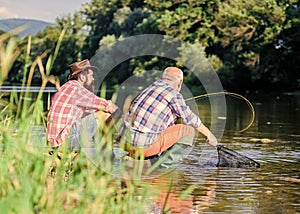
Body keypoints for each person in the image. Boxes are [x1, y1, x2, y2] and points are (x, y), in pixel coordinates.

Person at [122, 66, 218, 160]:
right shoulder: (173, 94)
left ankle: (134, 158)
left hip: (126, 143)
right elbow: (191, 119)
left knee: (169, 127)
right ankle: (159, 166)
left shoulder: (149, 88)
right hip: (143, 148)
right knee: (188, 130)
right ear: (180, 82)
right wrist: (209, 135)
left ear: (163, 78)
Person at [47, 59, 120, 152]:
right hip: (65, 142)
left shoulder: (67, 87)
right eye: (91, 75)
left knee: (98, 115)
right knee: (105, 116)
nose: (93, 79)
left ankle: (100, 152)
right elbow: (108, 106)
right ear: (82, 77)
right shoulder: (77, 90)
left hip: (55, 144)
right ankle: (107, 155)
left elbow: (90, 111)